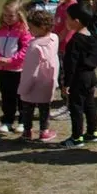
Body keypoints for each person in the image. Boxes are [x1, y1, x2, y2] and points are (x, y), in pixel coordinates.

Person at [60, 3, 97, 148]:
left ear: (76, 21)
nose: (66, 21)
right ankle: (92, 132)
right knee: (90, 104)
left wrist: (67, 83)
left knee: (76, 107)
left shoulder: (75, 41)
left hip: (78, 78)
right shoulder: (92, 37)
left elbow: (71, 64)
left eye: (68, 18)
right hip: (91, 76)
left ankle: (76, 137)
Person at [0, 0, 32, 134]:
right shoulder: (1, 30)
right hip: (3, 71)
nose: (7, 18)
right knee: (7, 97)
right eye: (5, 15)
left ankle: (23, 121)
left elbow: (26, 49)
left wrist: (11, 61)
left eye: (11, 15)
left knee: (21, 97)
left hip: (19, 71)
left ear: (19, 15)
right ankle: (7, 121)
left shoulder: (23, 31)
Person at [17, 10, 60, 142]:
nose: (29, 30)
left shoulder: (34, 46)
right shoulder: (54, 38)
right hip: (48, 81)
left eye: (31, 27)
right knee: (44, 108)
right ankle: (44, 131)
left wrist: (23, 87)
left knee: (28, 108)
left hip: (34, 83)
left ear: (41, 27)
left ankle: (27, 131)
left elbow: (31, 70)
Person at [50, 0, 79, 121]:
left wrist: (58, 42)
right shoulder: (60, 6)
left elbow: (69, 29)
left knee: (68, 77)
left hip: (67, 47)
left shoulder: (73, 7)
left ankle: (71, 107)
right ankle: (66, 103)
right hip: (58, 46)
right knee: (62, 77)